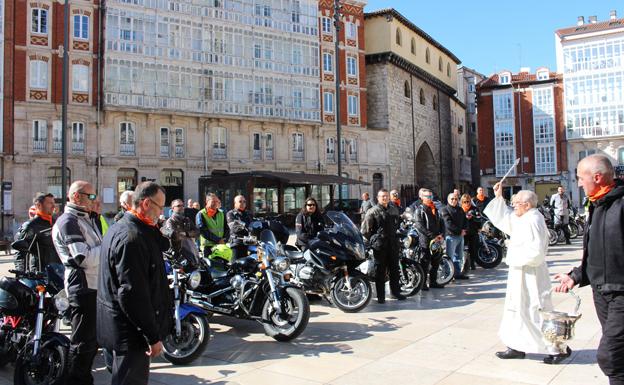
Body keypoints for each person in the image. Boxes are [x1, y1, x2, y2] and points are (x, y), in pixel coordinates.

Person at [555, 154, 624, 377]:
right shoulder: (596, 205)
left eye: (580, 178)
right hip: (601, 291)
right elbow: (596, 253)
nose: (579, 183)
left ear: (597, 177)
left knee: (610, 356)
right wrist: (576, 275)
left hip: (621, 293)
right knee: (620, 356)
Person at [97, 182, 173, 385]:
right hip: (130, 332)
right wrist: (152, 336)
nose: (162, 212)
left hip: (124, 329)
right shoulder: (131, 237)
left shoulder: (133, 227)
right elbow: (133, 294)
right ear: (146, 203)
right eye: (159, 207)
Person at [484, 182, 563, 362]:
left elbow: (537, 251)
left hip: (531, 274)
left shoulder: (534, 219)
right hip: (519, 272)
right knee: (516, 309)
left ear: (526, 205)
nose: (513, 207)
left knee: (536, 309)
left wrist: (513, 249)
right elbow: (505, 219)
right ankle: (516, 346)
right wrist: (498, 196)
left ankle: (556, 349)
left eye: (516, 203)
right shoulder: (523, 217)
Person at [52, 181, 102, 385]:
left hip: (94, 285)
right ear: (75, 197)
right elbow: (82, 257)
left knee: (91, 341)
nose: (94, 200)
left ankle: (84, 378)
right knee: (82, 342)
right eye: (90, 196)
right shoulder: (68, 221)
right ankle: (75, 381)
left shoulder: (86, 219)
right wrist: (107, 248)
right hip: (82, 287)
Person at [361, 189, 406, 303]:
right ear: (378, 198)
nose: (384, 198)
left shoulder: (393, 209)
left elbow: (397, 224)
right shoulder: (372, 211)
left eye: (386, 196)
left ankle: (396, 292)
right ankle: (381, 297)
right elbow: (365, 230)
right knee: (380, 271)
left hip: (392, 243)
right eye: (382, 196)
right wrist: (375, 239)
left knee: (394, 269)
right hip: (380, 245)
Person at [14, 192, 62, 272]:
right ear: (39, 205)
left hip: (58, 274)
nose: (54, 206)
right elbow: (20, 252)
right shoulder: (30, 226)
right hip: (40, 277)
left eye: (54, 203)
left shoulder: (56, 223)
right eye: (50, 203)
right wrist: (22, 274)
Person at [413, 188, 445, 289]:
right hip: (426, 240)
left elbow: (441, 222)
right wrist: (432, 236)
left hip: (437, 239)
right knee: (425, 263)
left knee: (436, 261)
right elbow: (419, 226)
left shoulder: (435, 208)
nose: (429, 198)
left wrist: (441, 234)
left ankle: (433, 282)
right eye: (427, 196)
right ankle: (423, 284)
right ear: (422, 197)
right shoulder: (419, 210)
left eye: (431, 196)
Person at [441, 193, 469, 279]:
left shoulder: (460, 209)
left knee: (459, 256)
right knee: (449, 257)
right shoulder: (445, 210)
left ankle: (457, 273)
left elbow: (465, 220)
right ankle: (447, 275)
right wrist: (459, 231)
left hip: (460, 236)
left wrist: (464, 230)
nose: (454, 200)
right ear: (448, 200)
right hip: (451, 236)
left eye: (456, 199)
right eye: (452, 199)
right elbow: (448, 223)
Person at [196, 193, 229, 258]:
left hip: (220, 245)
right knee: (210, 266)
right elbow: (203, 231)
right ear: (207, 202)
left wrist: (225, 240)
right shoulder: (201, 214)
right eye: (213, 201)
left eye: (216, 201)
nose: (215, 203)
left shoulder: (222, 213)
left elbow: (227, 228)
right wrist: (218, 240)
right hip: (208, 247)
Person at [226, 195, 252, 260]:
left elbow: (253, 225)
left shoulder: (248, 214)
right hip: (237, 244)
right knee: (236, 266)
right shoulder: (231, 213)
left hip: (249, 244)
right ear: (235, 203)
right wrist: (248, 228)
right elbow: (235, 228)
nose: (243, 203)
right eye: (240, 201)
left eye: (244, 201)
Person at [461, 194, 481, 271]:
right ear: (462, 202)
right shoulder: (460, 209)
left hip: (473, 232)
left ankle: (472, 264)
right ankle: (465, 265)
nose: (467, 203)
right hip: (463, 232)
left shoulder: (475, 209)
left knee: (473, 249)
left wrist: (473, 217)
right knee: (464, 249)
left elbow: (479, 219)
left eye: (468, 201)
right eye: (465, 202)